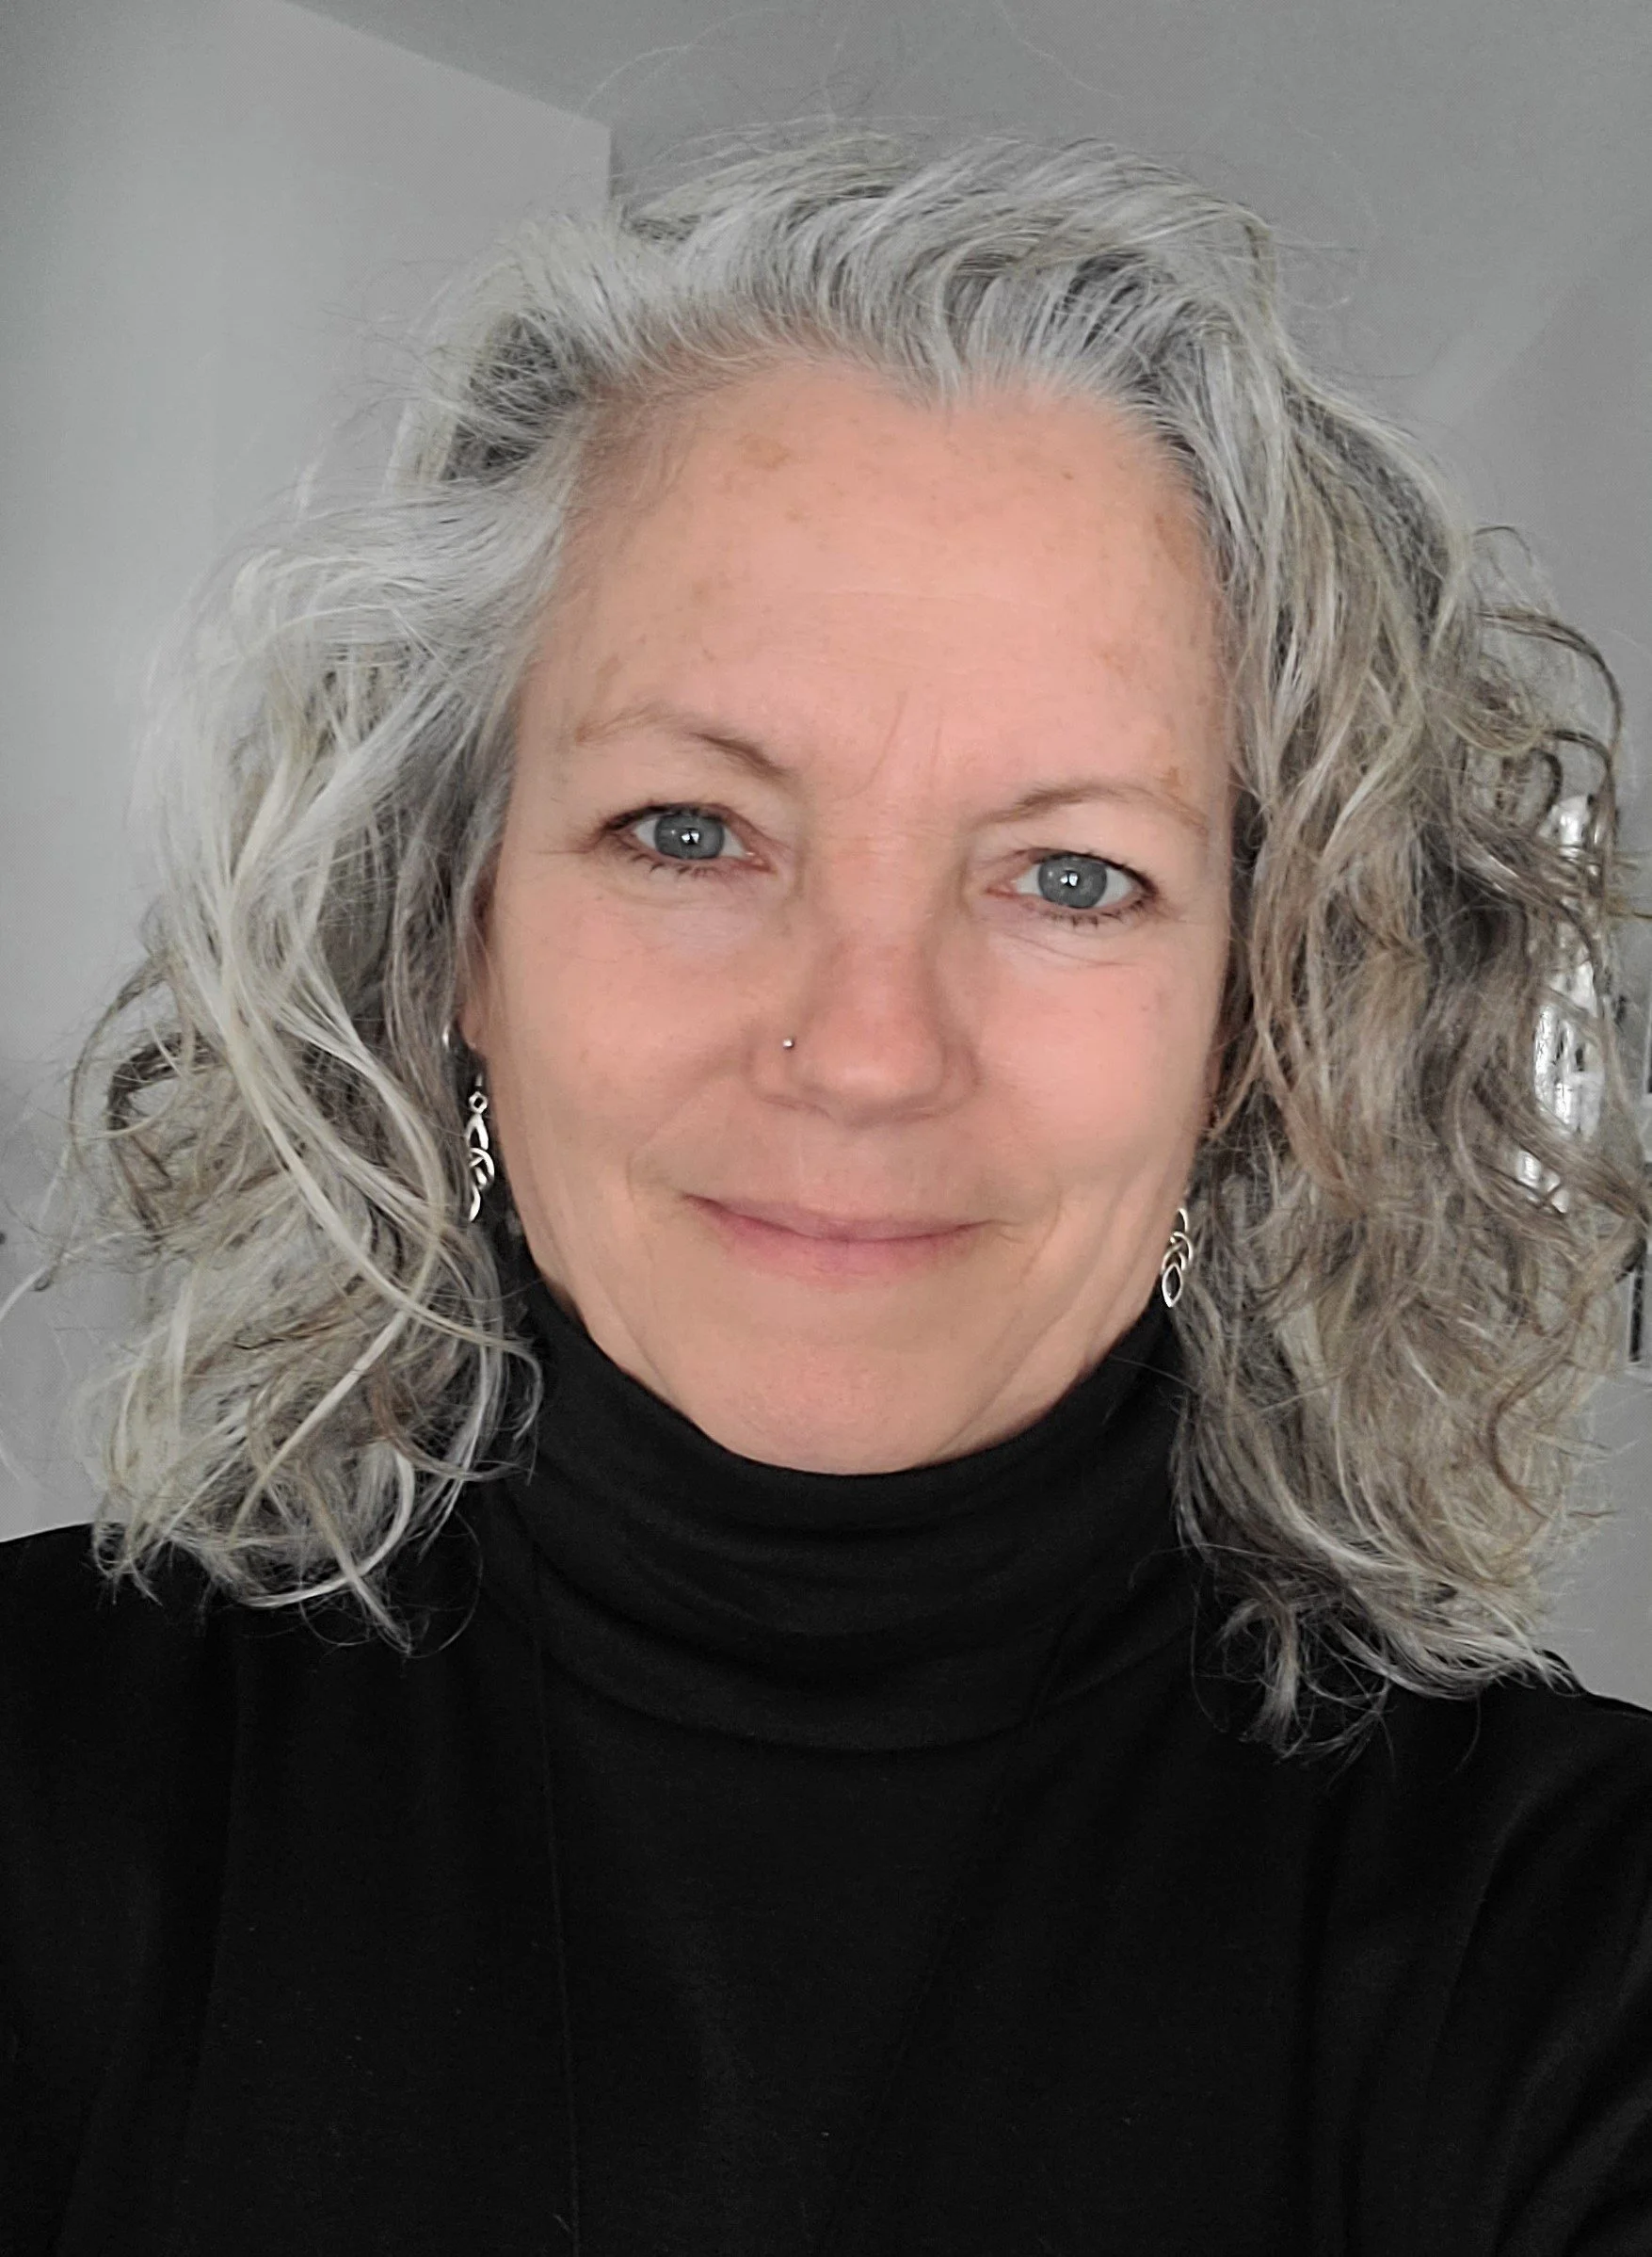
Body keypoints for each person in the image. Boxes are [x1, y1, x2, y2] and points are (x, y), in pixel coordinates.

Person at [2, 123, 1649, 2257]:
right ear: (451, 937)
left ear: (1255, 1026)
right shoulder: (49, 1782)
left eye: (1073, 874)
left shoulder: (1571, 1935)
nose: (869, 1046)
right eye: (690, 831)